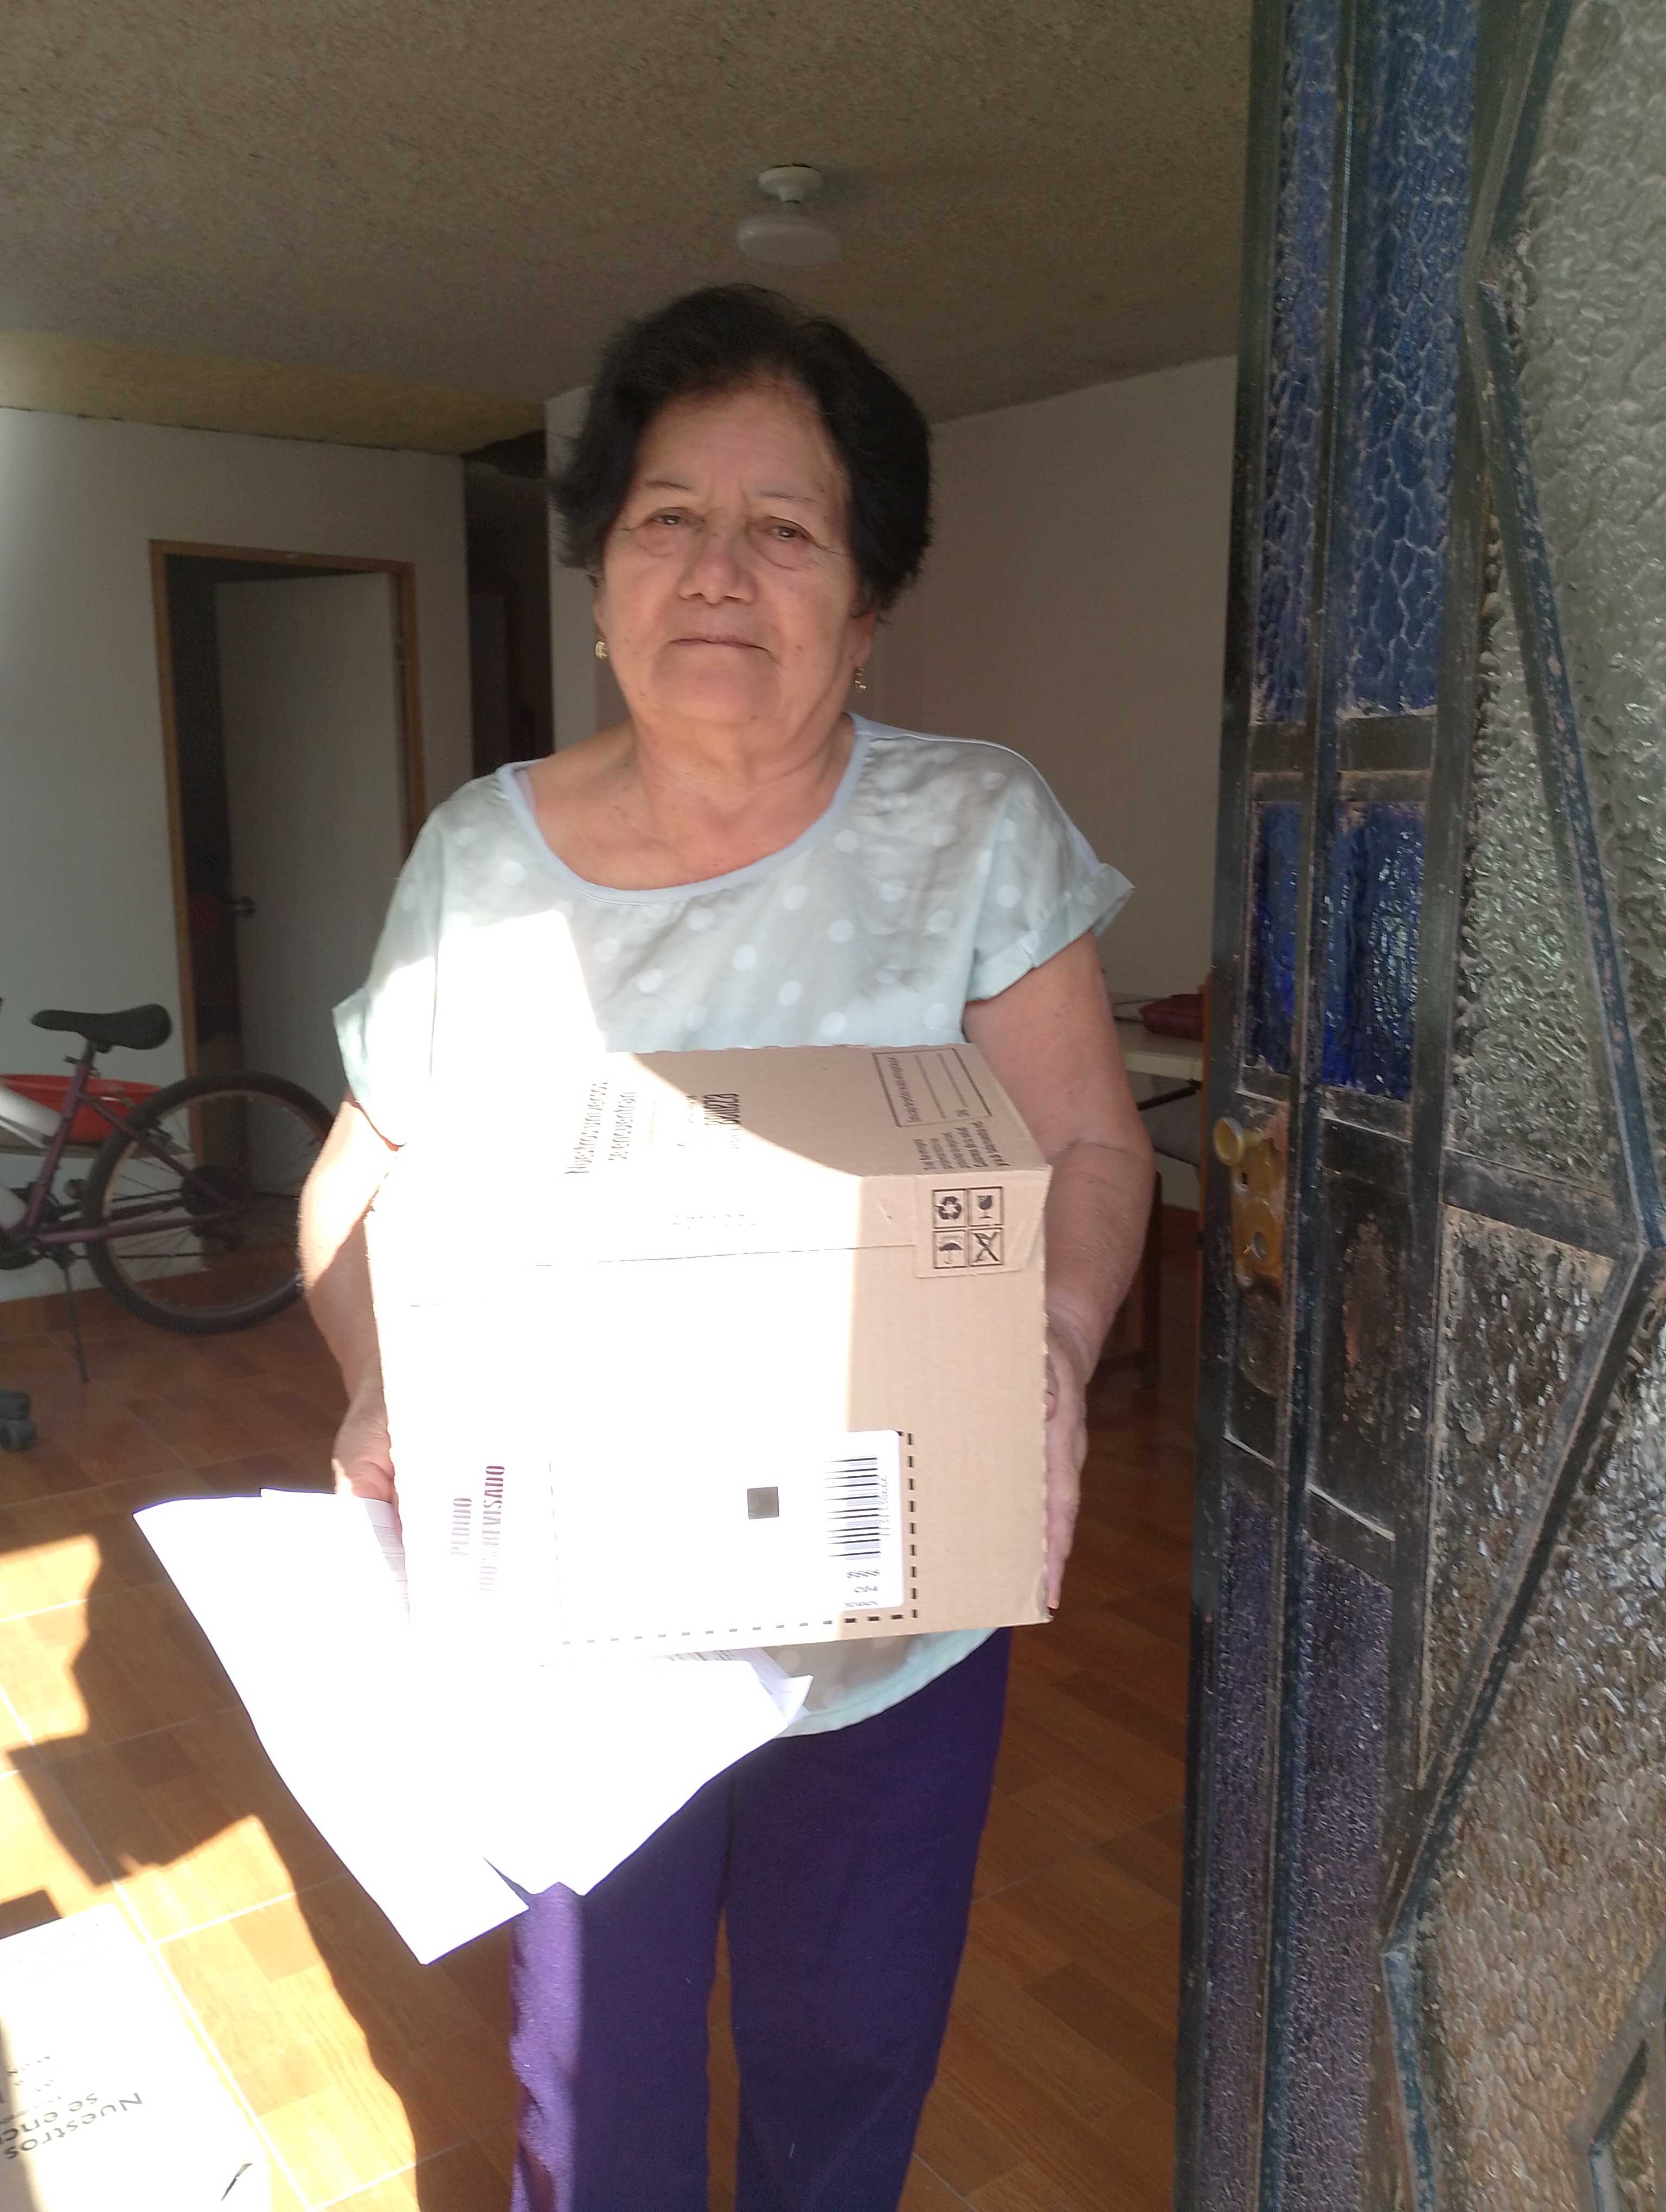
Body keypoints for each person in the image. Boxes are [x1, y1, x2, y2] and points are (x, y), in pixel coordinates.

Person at [299, 283, 1155, 2212]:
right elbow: (361, 1172)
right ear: (604, 581)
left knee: (844, 2074)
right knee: (589, 2100)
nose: (717, 570)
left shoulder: (973, 827)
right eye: (669, 516)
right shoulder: (479, 861)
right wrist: (373, 1372)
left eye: (786, 528)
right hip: (574, 1619)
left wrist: (1051, 1338)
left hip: (890, 1620)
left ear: (867, 605)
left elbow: (1095, 1144)